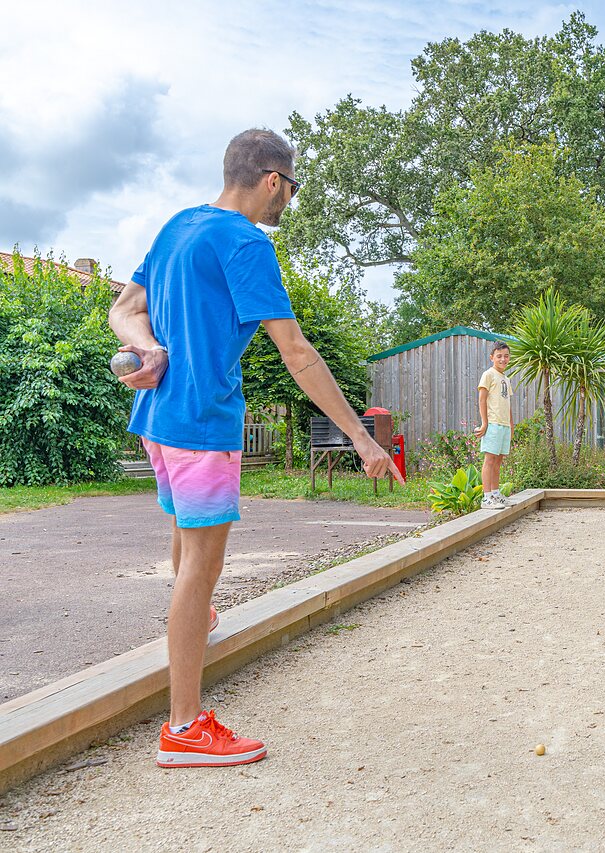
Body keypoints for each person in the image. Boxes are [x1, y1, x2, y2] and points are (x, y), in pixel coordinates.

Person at [109, 128, 402, 769]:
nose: (287, 204)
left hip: (156, 416)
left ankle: (200, 616)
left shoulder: (179, 226)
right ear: (273, 180)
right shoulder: (247, 243)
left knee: (188, 543)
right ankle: (184, 728)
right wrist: (360, 436)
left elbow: (125, 309)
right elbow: (296, 352)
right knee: (200, 565)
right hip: (203, 421)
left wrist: (148, 347)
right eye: (290, 190)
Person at [474, 342, 513, 509]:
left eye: (506, 356)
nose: (503, 359)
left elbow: (507, 403)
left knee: (498, 460)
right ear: (492, 358)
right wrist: (484, 423)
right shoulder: (488, 375)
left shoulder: (505, 378)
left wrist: (511, 425)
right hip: (493, 424)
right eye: (499, 356)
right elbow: (482, 399)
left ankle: (496, 494)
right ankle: (487, 497)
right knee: (489, 460)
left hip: (504, 425)